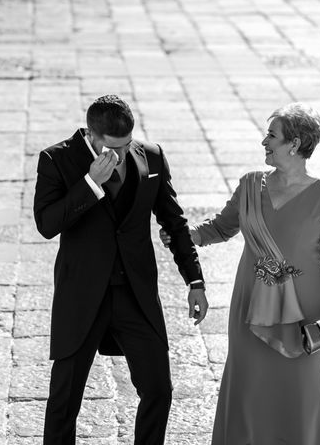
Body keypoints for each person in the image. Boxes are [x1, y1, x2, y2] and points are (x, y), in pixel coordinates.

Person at [161, 102, 320, 444]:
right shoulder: (251, 185)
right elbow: (221, 227)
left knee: (298, 389)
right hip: (251, 301)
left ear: (294, 144)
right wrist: (185, 236)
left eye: (272, 136)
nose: (264, 142)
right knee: (248, 383)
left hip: (304, 309)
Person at [34, 95, 209, 445]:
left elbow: (174, 222)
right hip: (82, 297)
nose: (125, 152)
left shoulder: (152, 156)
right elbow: (46, 223)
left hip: (135, 293)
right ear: (93, 137)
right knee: (64, 402)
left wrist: (195, 280)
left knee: (159, 390)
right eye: (115, 147)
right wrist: (90, 184)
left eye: (128, 144)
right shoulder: (57, 159)